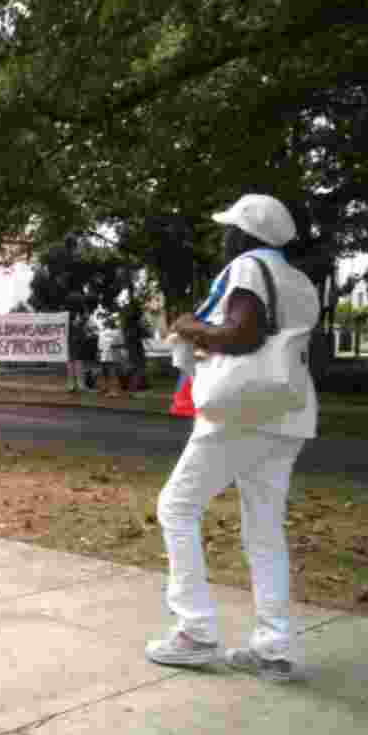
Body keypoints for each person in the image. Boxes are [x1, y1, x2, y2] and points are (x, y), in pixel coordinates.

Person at [145, 194, 320, 682]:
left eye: (229, 229)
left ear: (245, 235)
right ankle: (273, 649)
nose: (225, 237)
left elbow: (243, 334)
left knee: (177, 507)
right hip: (288, 411)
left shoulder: (247, 266)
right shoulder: (300, 281)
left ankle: (195, 633)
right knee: (264, 529)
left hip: (242, 411)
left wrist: (192, 327)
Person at [97, 315, 126, 397]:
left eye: (110, 322)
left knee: (111, 373)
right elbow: (100, 345)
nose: (108, 324)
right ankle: (109, 389)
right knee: (108, 373)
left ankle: (113, 390)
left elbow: (121, 344)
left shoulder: (116, 332)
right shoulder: (105, 332)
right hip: (108, 355)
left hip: (110, 355)